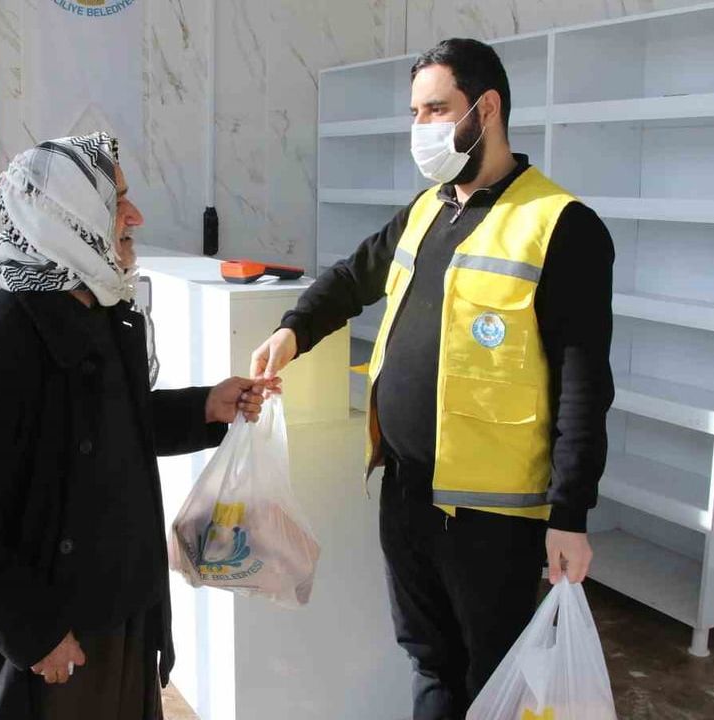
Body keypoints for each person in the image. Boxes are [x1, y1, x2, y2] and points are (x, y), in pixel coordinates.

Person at [252, 39, 615, 719]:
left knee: (494, 674)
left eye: (436, 109)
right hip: (408, 494)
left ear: (487, 108)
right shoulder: (427, 209)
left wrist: (570, 516)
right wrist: (292, 331)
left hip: (494, 518)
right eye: (415, 112)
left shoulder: (561, 225)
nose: (422, 128)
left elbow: (584, 384)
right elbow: (351, 278)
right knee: (428, 660)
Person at [0, 132, 273, 720]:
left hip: (121, 610)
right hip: (60, 638)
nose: (134, 216)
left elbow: (113, 427)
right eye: (116, 203)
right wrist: (35, 632)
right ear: (66, 219)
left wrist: (206, 406)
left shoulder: (98, 311)